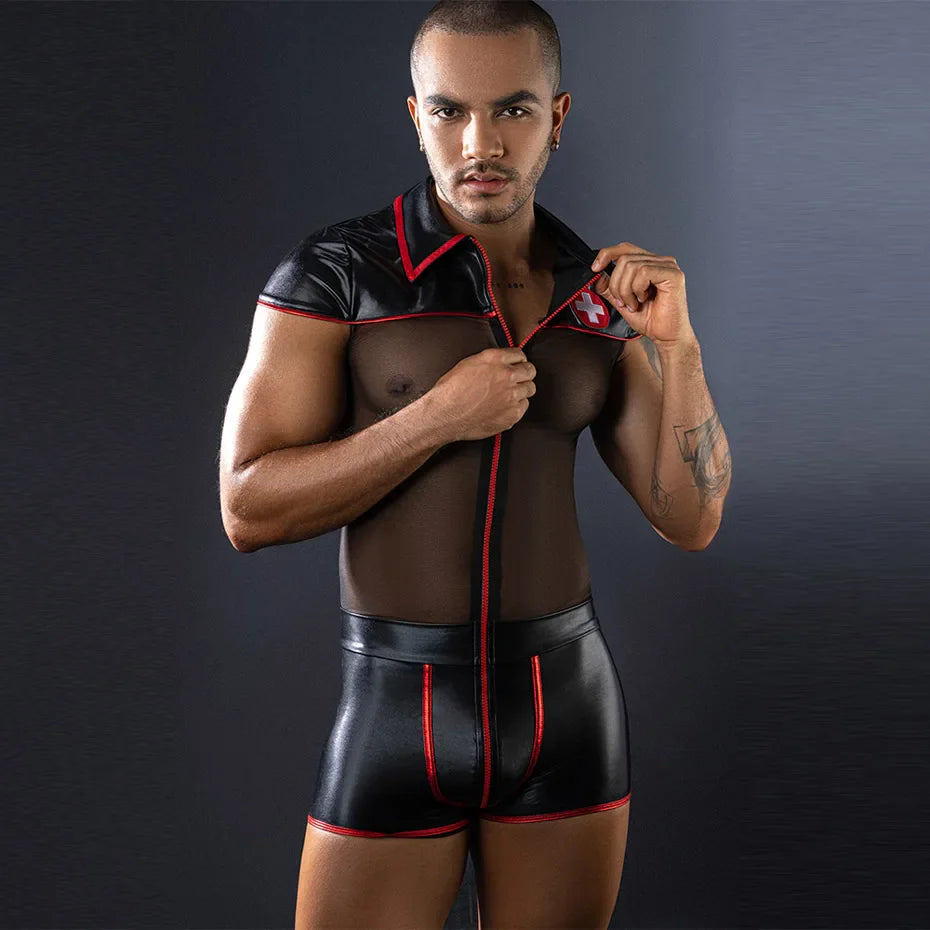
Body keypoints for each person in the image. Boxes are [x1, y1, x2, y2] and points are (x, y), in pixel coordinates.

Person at [218, 1, 731, 927]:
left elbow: (689, 520)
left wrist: (678, 347)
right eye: (450, 111)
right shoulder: (340, 273)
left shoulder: (594, 292)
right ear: (416, 116)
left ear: (557, 118)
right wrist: (432, 421)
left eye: (513, 110)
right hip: (397, 704)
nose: (480, 143)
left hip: (566, 706)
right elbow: (247, 509)